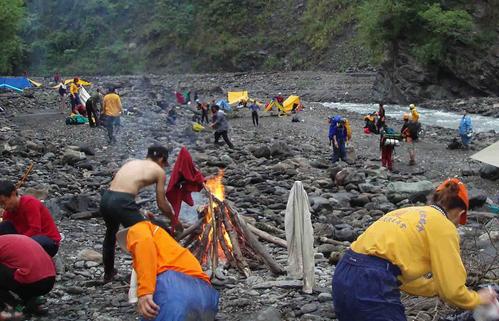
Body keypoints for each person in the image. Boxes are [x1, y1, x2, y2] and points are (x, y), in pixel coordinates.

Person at [332, 178, 498, 321]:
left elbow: (403, 279)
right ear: (460, 212)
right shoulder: (443, 225)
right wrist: (478, 299)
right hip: (372, 282)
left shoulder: (407, 212)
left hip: (344, 273)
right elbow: (452, 292)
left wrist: (436, 287)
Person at [100, 145, 179, 283]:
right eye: (164, 161)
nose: (164, 165)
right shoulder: (159, 171)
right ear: (161, 158)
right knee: (145, 237)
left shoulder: (131, 163)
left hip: (106, 198)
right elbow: (162, 204)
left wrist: (138, 210)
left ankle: (108, 273)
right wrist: (174, 220)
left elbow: (121, 185)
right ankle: (152, 276)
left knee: (110, 234)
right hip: (122, 202)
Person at [116, 221, 219, 320]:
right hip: (208, 296)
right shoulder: (170, 248)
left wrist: (145, 292)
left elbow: (144, 244)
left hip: (175, 287)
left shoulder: (138, 228)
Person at [0, 181, 61, 257]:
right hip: (26, 239)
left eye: (4, 202)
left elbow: (35, 230)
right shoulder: (8, 212)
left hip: (48, 241)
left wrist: (16, 243)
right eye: (0, 204)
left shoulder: (29, 203)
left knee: (30, 242)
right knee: (3, 226)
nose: (3, 206)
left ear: (13, 194)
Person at [0, 235, 56, 317]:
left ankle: (13, 309)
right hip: (50, 280)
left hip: (31, 283)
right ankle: (32, 304)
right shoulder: (9, 239)